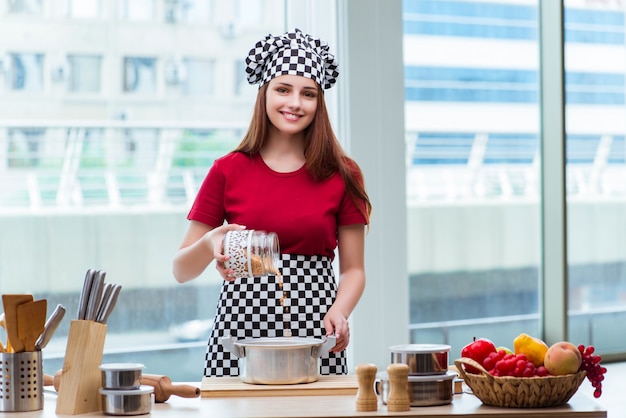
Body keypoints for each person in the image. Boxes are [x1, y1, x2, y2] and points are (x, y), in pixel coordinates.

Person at [172, 28, 372, 377]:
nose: (295, 103)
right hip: (237, 335)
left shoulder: (344, 174)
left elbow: (353, 269)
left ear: (319, 103)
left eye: (308, 93)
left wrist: (340, 311)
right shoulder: (227, 170)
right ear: (264, 93)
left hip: (315, 329)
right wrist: (209, 243)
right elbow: (181, 270)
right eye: (283, 89)